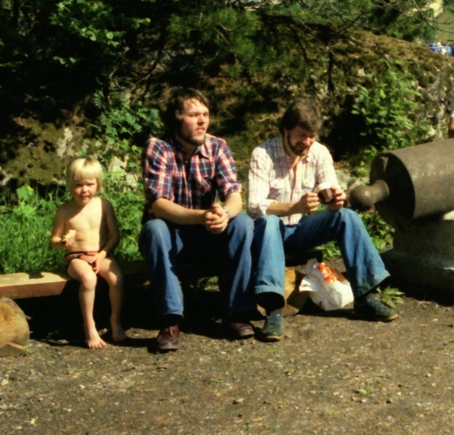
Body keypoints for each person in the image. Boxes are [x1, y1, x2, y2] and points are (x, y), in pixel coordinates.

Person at [247, 99, 397, 340]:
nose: (306, 142)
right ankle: (273, 309)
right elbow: (255, 207)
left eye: (312, 136)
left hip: (302, 229)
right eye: (301, 136)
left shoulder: (319, 153)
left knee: (346, 216)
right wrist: (294, 206)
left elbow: (328, 186)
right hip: (268, 234)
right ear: (286, 130)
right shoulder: (262, 155)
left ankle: (365, 295)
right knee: (269, 221)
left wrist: (336, 200)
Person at [139, 89, 257, 352]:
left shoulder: (218, 146)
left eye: (205, 114)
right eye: (194, 115)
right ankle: (170, 320)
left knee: (243, 223)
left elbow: (235, 196)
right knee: (154, 228)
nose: (202, 121)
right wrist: (202, 216)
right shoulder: (158, 147)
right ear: (177, 119)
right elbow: (158, 205)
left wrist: (223, 215)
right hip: (172, 235)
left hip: (208, 233)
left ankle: (237, 312)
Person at [50, 157, 125, 349]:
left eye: (89, 184)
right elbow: (54, 241)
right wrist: (63, 242)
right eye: (78, 185)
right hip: (76, 257)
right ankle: (89, 326)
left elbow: (114, 236)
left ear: (98, 184)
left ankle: (114, 320)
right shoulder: (64, 210)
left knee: (116, 277)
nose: (84, 190)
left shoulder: (104, 206)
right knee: (89, 279)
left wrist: (101, 255)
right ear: (69, 185)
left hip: (100, 253)